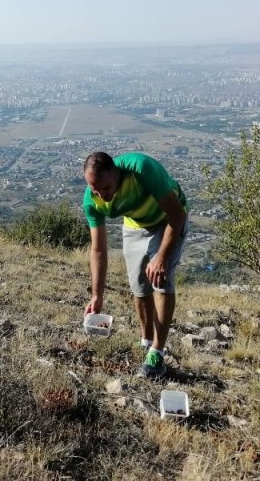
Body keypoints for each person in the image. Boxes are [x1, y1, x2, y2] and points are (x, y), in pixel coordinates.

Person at [82, 151, 188, 378]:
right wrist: (97, 296)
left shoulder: (141, 170)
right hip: (135, 224)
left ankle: (157, 354)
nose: (102, 195)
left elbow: (177, 214)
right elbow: (98, 249)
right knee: (139, 287)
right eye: (94, 189)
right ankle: (146, 341)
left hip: (168, 220)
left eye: (106, 188)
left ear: (116, 174)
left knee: (160, 281)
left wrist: (161, 258)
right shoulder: (92, 200)